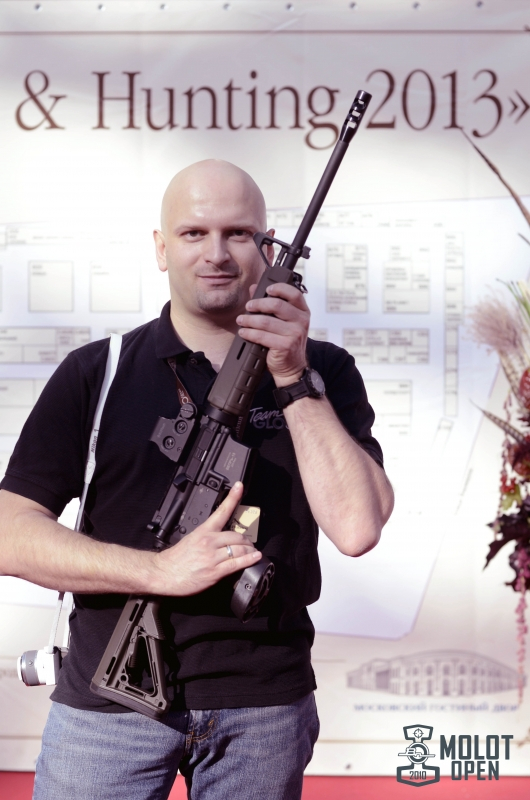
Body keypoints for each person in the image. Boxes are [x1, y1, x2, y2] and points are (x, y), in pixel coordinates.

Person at [0, 160, 394, 800]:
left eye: (238, 233)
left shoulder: (324, 370)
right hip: (106, 711)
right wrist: (157, 571)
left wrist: (291, 375)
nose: (216, 254)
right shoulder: (97, 372)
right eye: (193, 233)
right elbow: (9, 534)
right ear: (161, 248)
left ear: (269, 250)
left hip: (264, 708)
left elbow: (357, 528)